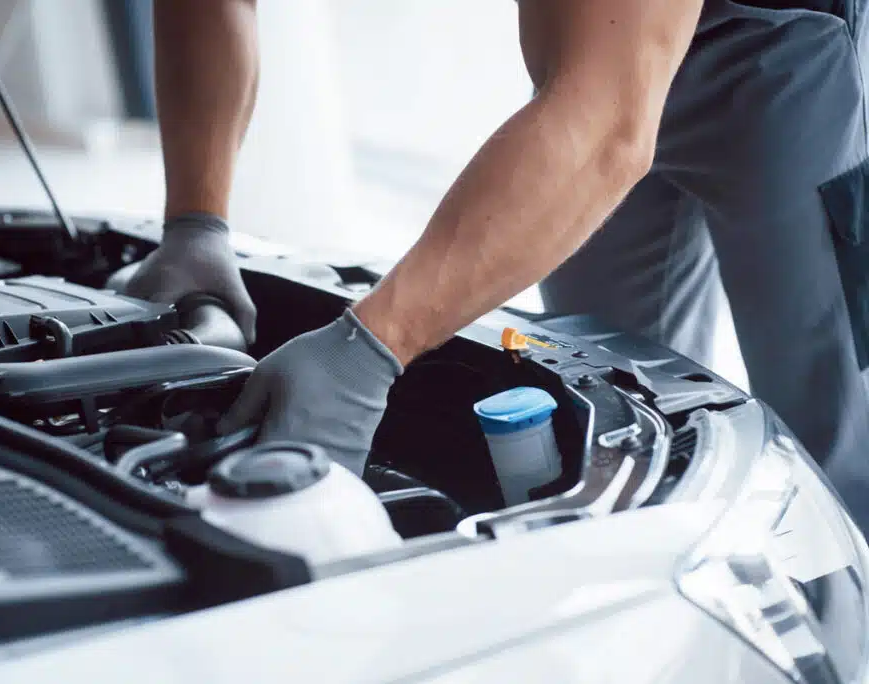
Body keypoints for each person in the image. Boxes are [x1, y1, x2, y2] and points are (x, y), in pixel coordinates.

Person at [127, 0, 869, 530]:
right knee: (615, 425)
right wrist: (197, 221)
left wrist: (373, 345)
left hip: (787, 54)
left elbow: (609, 126)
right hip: (592, 50)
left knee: (837, 441)